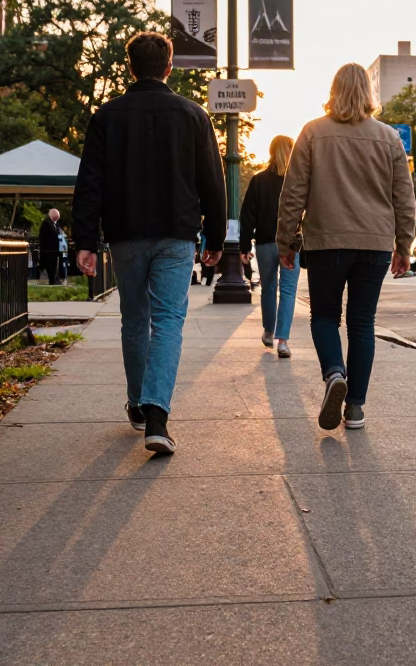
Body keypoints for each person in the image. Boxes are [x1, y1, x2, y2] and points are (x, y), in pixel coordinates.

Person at [74, 31, 226, 456]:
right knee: (168, 322)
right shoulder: (193, 115)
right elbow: (211, 182)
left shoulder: (107, 116)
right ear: (169, 67)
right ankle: (156, 414)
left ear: (130, 67)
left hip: (125, 232)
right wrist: (215, 237)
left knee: (134, 319)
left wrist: (85, 239)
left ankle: (140, 405)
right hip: (177, 234)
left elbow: (90, 183)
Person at [278, 64, 416, 431]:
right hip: (375, 244)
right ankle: (354, 407)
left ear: (334, 90)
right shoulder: (389, 138)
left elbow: (293, 193)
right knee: (361, 323)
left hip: (326, 242)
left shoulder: (312, 133)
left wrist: (286, 240)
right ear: (369, 93)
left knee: (324, 317)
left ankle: (334, 374)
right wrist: (404, 244)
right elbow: (404, 197)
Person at [240, 135, 300, 359]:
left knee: (268, 289)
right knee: (288, 291)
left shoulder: (259, 180)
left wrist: (245, 245)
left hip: (266, 242)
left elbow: (248, 215)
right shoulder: (297, 180)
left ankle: (268, 331)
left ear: (271, 151)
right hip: (292, 244)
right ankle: (283, 341)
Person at [39, 209, 62, 285]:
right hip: (48, 250)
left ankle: (56, 279)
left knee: (55, 265)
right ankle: (52, 280)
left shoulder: (56, 225)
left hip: (55, 250)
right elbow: (43, 236)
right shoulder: (46, 223)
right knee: (50, 266)